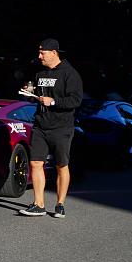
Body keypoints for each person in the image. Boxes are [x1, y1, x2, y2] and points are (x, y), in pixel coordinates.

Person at [19, 38, 83, 218]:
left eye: (42, 53)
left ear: (54, 53)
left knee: (61, 165)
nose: (39, 56)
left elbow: (76, 100)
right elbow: (40, 97)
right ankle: (38, 204)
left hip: (62, 127)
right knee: (35, 163)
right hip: (41, 125)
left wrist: (54, 101)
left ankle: (60, 204)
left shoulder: (70, 74)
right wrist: (30, 92)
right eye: (39, 52)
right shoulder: (40, 74)